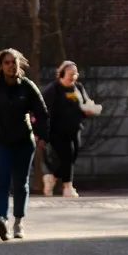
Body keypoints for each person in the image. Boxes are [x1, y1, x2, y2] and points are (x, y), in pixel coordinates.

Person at [0, 48, 49, 240]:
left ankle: (18, 221)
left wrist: (41, 136)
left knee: (21, 182)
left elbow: (42, 112)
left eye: (13, 62)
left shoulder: (27, 86)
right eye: (7, 62)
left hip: (23, 140)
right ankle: (1, 219)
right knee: (1, 181)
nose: (11, 66)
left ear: (19, 64)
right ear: (1, 66)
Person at [39, 60, 100, 197]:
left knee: (72, 157)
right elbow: (43, 109)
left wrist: (88, 111)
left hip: (75, 128)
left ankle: (52, 178)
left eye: (75, 73)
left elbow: (85, 103)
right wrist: (42, 130)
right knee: (67, 155)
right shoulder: (53, 89)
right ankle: (68, 187)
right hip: (57, 130)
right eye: (70, 73)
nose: (73, 76)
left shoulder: (78, 87)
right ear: (61, 74)